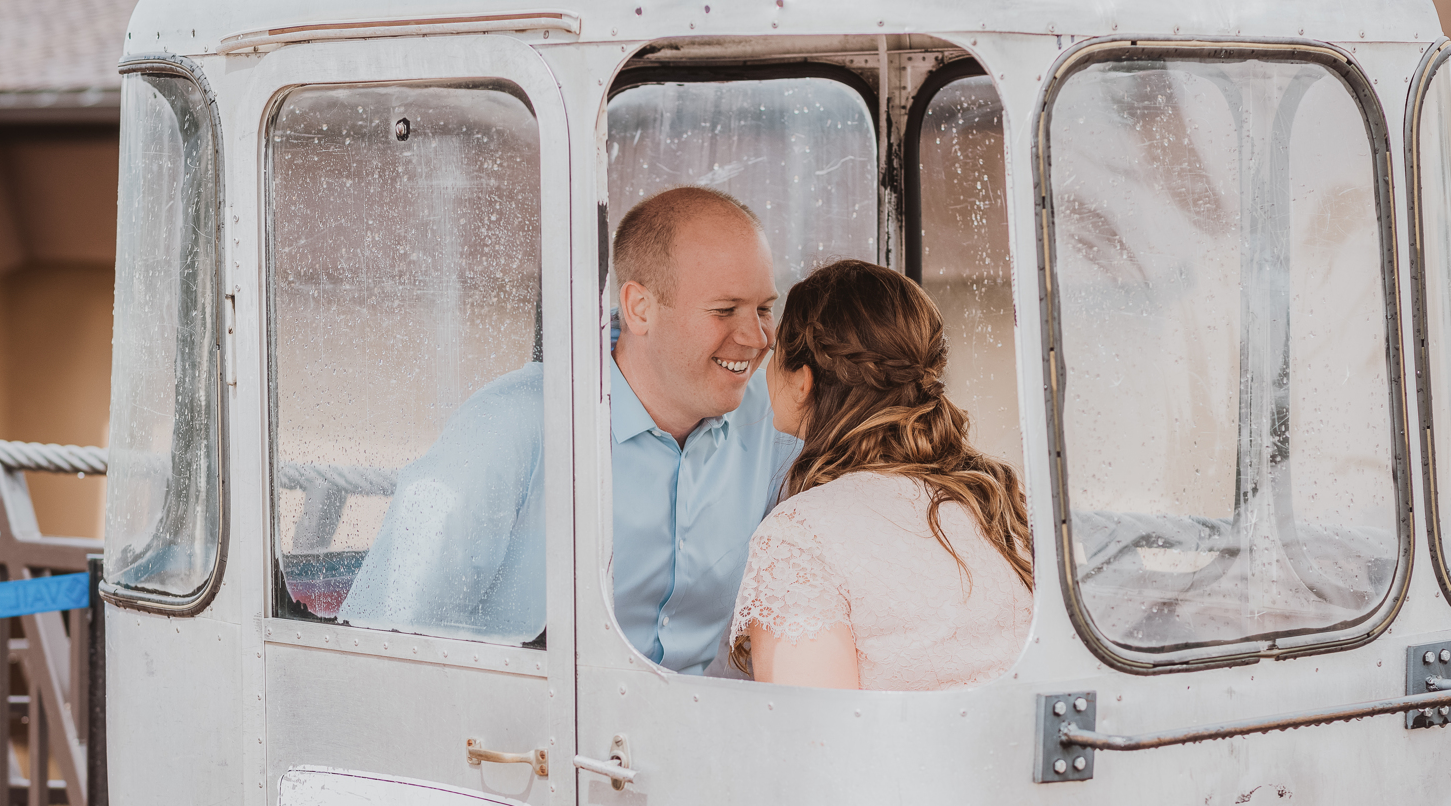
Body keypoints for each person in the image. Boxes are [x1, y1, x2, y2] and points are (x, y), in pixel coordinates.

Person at [340, 186, 798, 672]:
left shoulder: (776, 424)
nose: (758, 338)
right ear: (640, 308)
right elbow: (385, 644)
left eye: (765, 308)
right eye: (724, 311)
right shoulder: (513, 426)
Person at [728, 259, 1033, 690]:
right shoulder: (998, 496)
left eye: (776, 354)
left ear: (802, 381)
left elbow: (811, 738)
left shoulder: (799, 535)